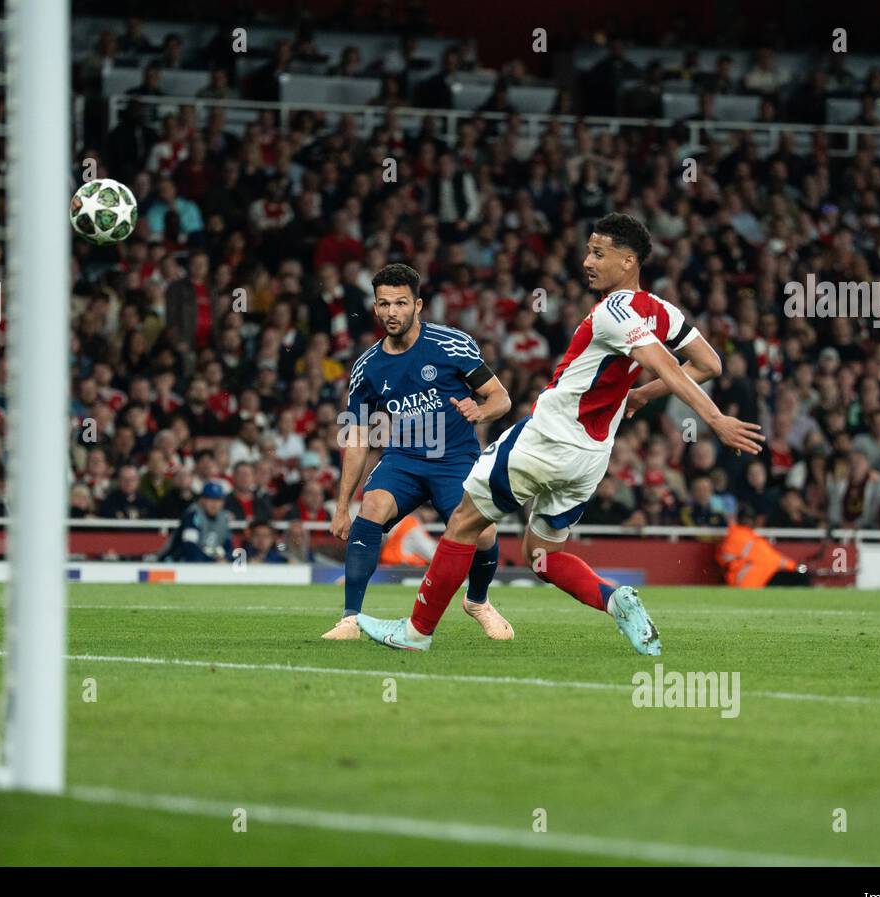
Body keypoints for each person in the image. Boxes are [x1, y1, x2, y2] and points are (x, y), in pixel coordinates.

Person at [356, 214, 762, 653]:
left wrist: (713, 418)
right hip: (590, 460)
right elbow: (708, 364)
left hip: (547, 439)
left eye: (598, 253)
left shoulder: (613, 311)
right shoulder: (662, 310)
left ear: (628, 261)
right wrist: (641, 396)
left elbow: (663, 362)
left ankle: (416, 633)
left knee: (463, 523)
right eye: (588, 250)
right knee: (541, 557)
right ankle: (614, 600)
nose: (587, 260)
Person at [322, 263, 515, 641]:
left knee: (486, 534)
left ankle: (477, 601)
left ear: (418, 305)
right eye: (384, 304)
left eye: (400, 303)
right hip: (403, 459)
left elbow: (501, 398)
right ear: (375, 309)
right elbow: (357, 439)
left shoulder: (452, 344)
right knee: (372, 507)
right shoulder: (365, 369)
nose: (392, 312)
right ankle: (350, 619)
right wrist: (343, 505)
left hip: (454, 460)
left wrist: (480, 410)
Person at [158, 483, 231, 562]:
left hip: (206, 562)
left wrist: (226, 558)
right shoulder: (193, 515)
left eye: (218, 500)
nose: (215, 504)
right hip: (176, 561)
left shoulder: (223, 518)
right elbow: (189, 547)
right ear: (202, 500)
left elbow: (228, 545)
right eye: (210, 499)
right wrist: (212, 561)